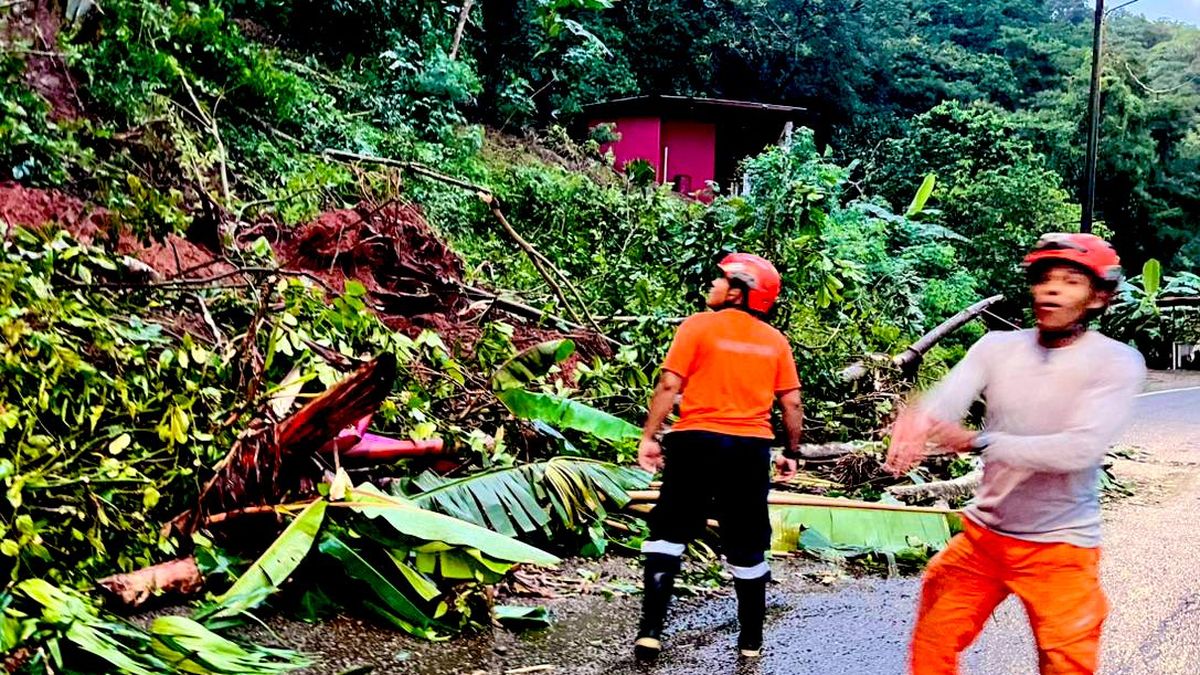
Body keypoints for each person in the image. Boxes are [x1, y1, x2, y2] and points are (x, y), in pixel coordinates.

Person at [885, 233, 1146, 675]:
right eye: (1045, 279)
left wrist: (979, 442)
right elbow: (946, 400)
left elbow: (1079, 449)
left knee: (1067, 666)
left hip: (1061, 548)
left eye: (1070, 281)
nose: (1052, 290)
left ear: (1099, 297)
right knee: (932, 643)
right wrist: (919, 421)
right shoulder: (996, 347)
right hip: (984, 539)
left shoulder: (1115, 362)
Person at [633, 252, 804, 661]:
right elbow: (792, 403)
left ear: (738, 292)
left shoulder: (696, 326)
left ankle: (651, 633)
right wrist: (792, 451)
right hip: (749, 449)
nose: (713, 284)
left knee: (668, 531)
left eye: (721, 279)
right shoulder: (776, 342)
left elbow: (669, 384)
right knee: (747, 542)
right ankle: (750, 643)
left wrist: (650, 436)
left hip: (694, 442)